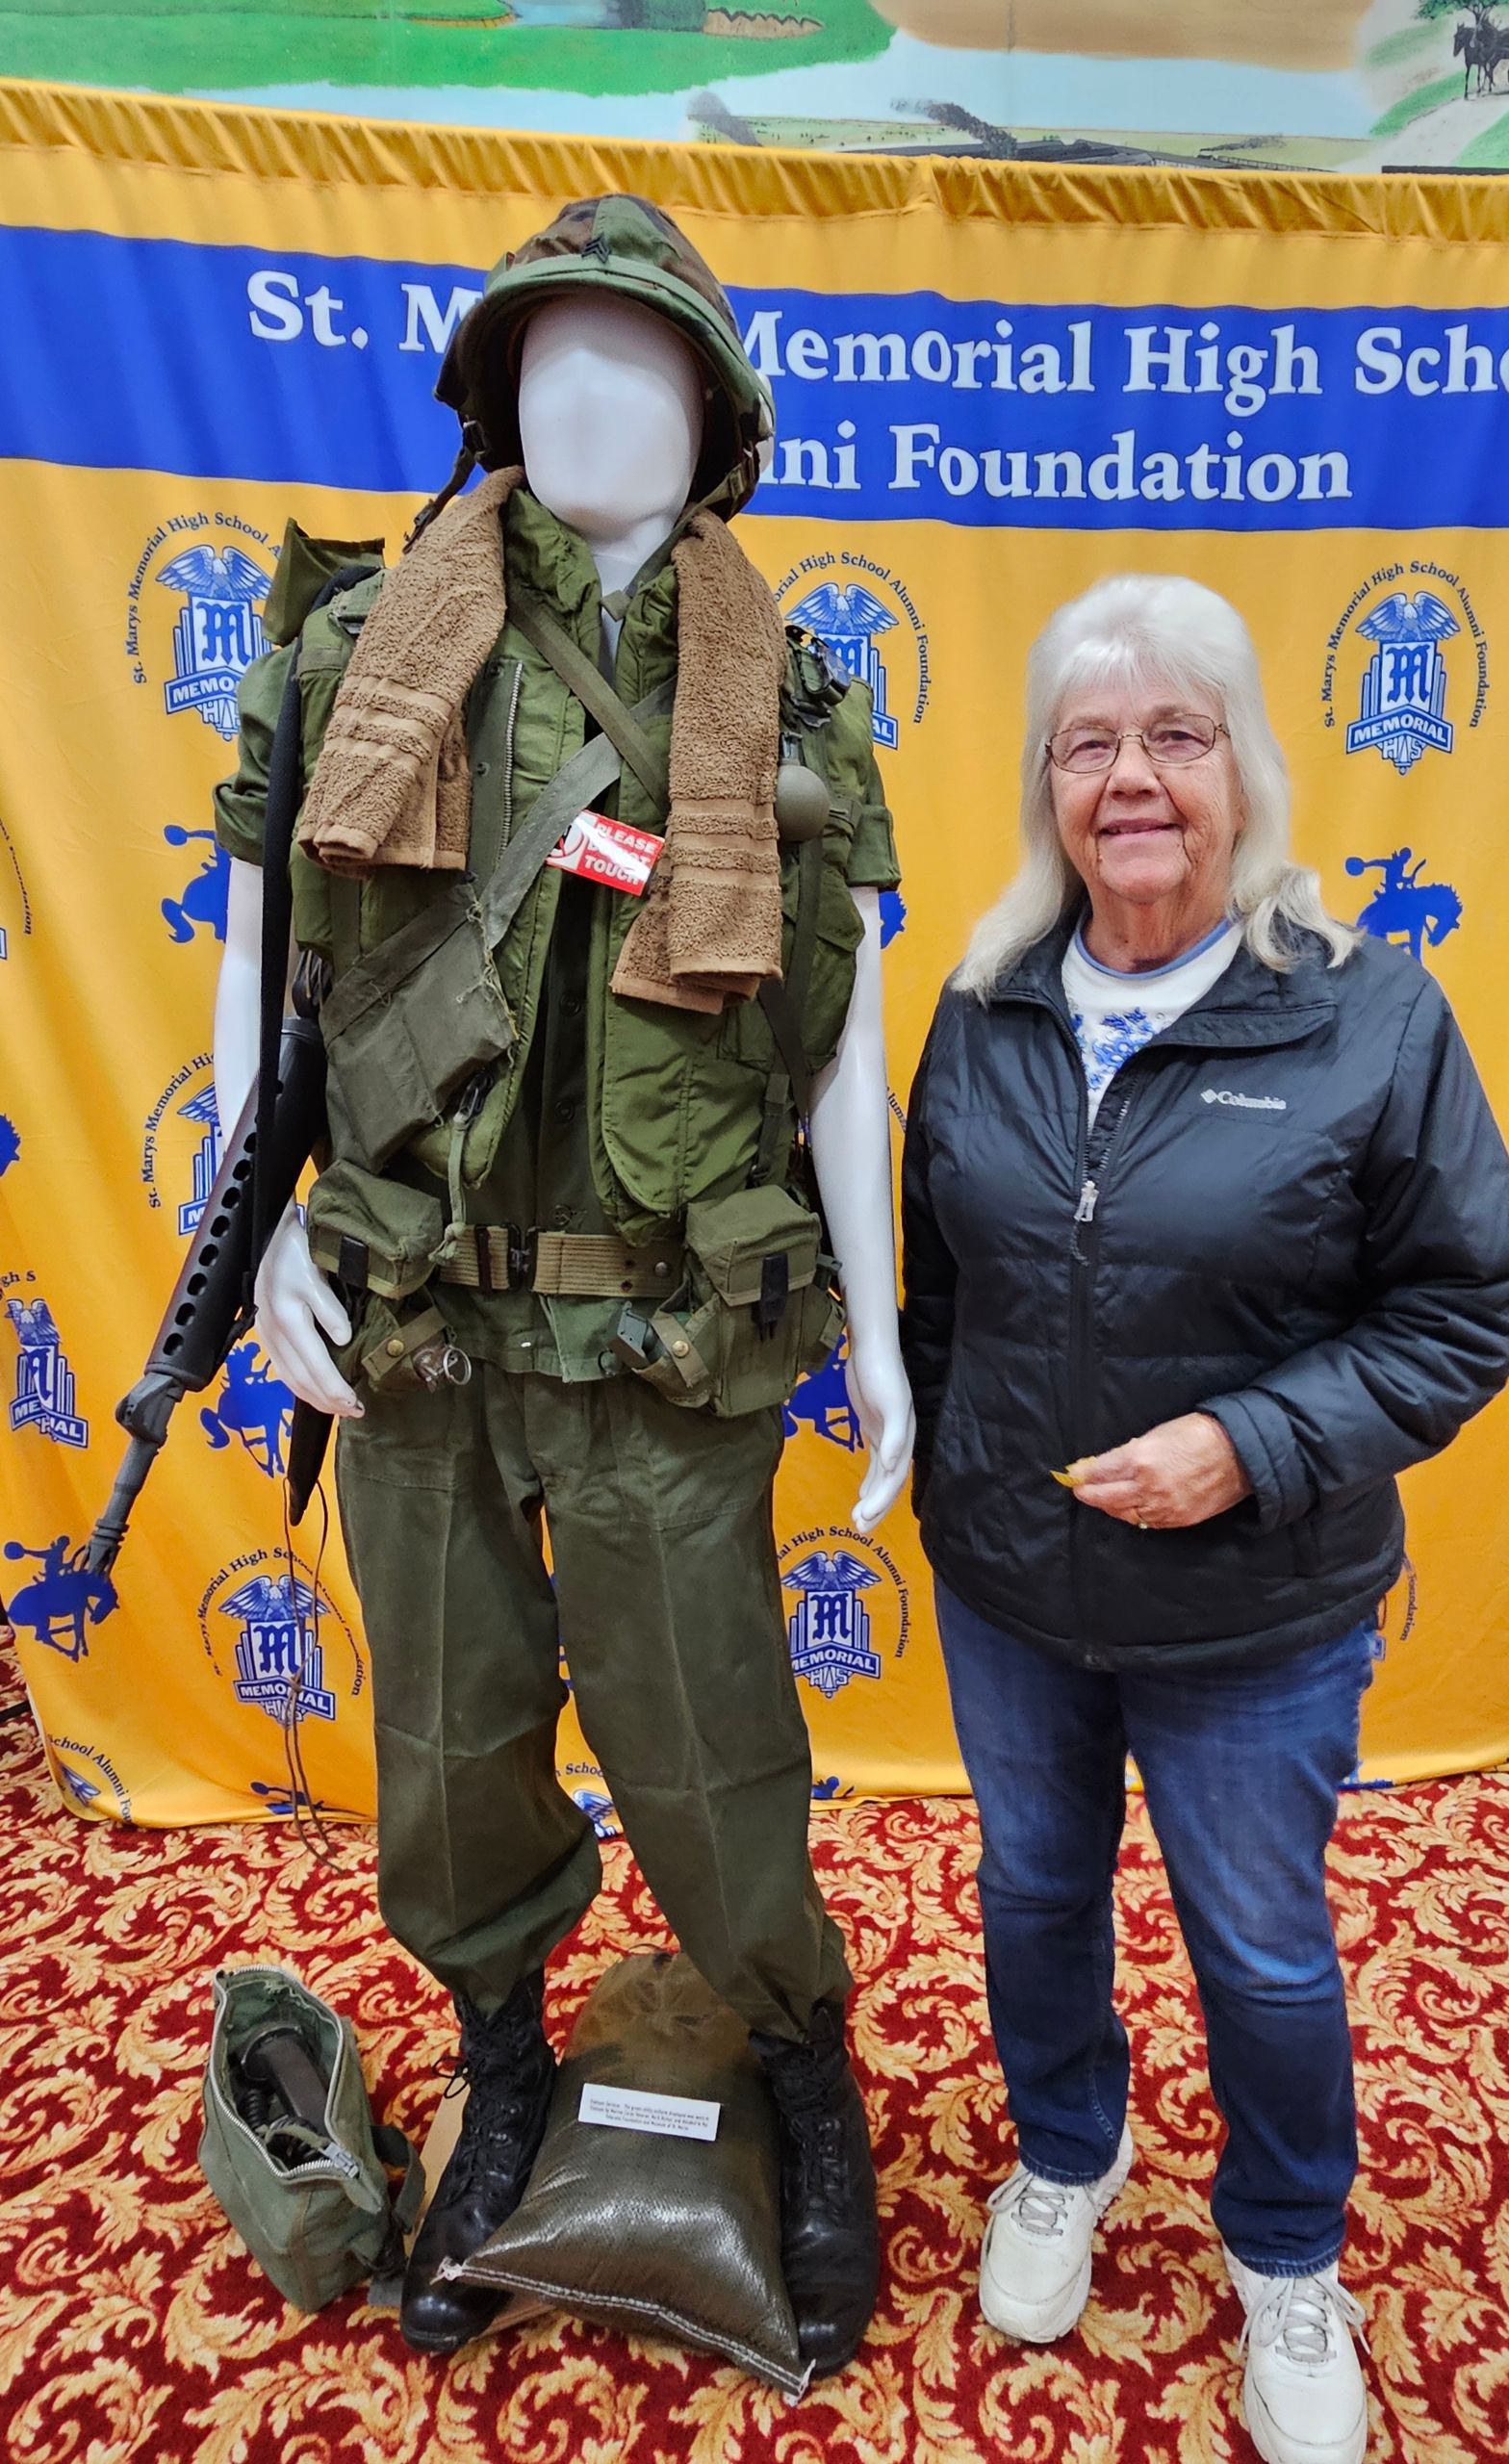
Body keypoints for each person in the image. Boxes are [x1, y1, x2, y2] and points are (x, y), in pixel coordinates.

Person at [209, 196, 914, 2369]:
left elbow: (839, 1046)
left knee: (709, 1749)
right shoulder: (358, 653)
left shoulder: (783, 691)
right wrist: (244, 1264)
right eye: (545, 351)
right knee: (444, 1747)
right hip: (411, 1310)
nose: (582, 386)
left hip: (664, 1330)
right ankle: (506, 2060)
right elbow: (265, 974)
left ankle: (802, 2062)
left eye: (638, 355)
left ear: (713, 417)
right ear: (492, 391)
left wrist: (883, 1336)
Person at [899, 575, 1509, 2464]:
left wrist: (1250, 1442)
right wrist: (952, 1472)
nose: (1132, 777)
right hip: (1015, 1587)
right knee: (1032, 1893)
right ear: (1045, 783)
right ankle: (1064, 2158)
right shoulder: (985, 1000)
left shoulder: (1363, 1013)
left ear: (1244, 764)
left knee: (1258, 1943)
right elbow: (944, 1295)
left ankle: (1285, 2253)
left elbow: (1467, 1301)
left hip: (1258, 1594)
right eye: (1088, 742)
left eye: (1176, 733)